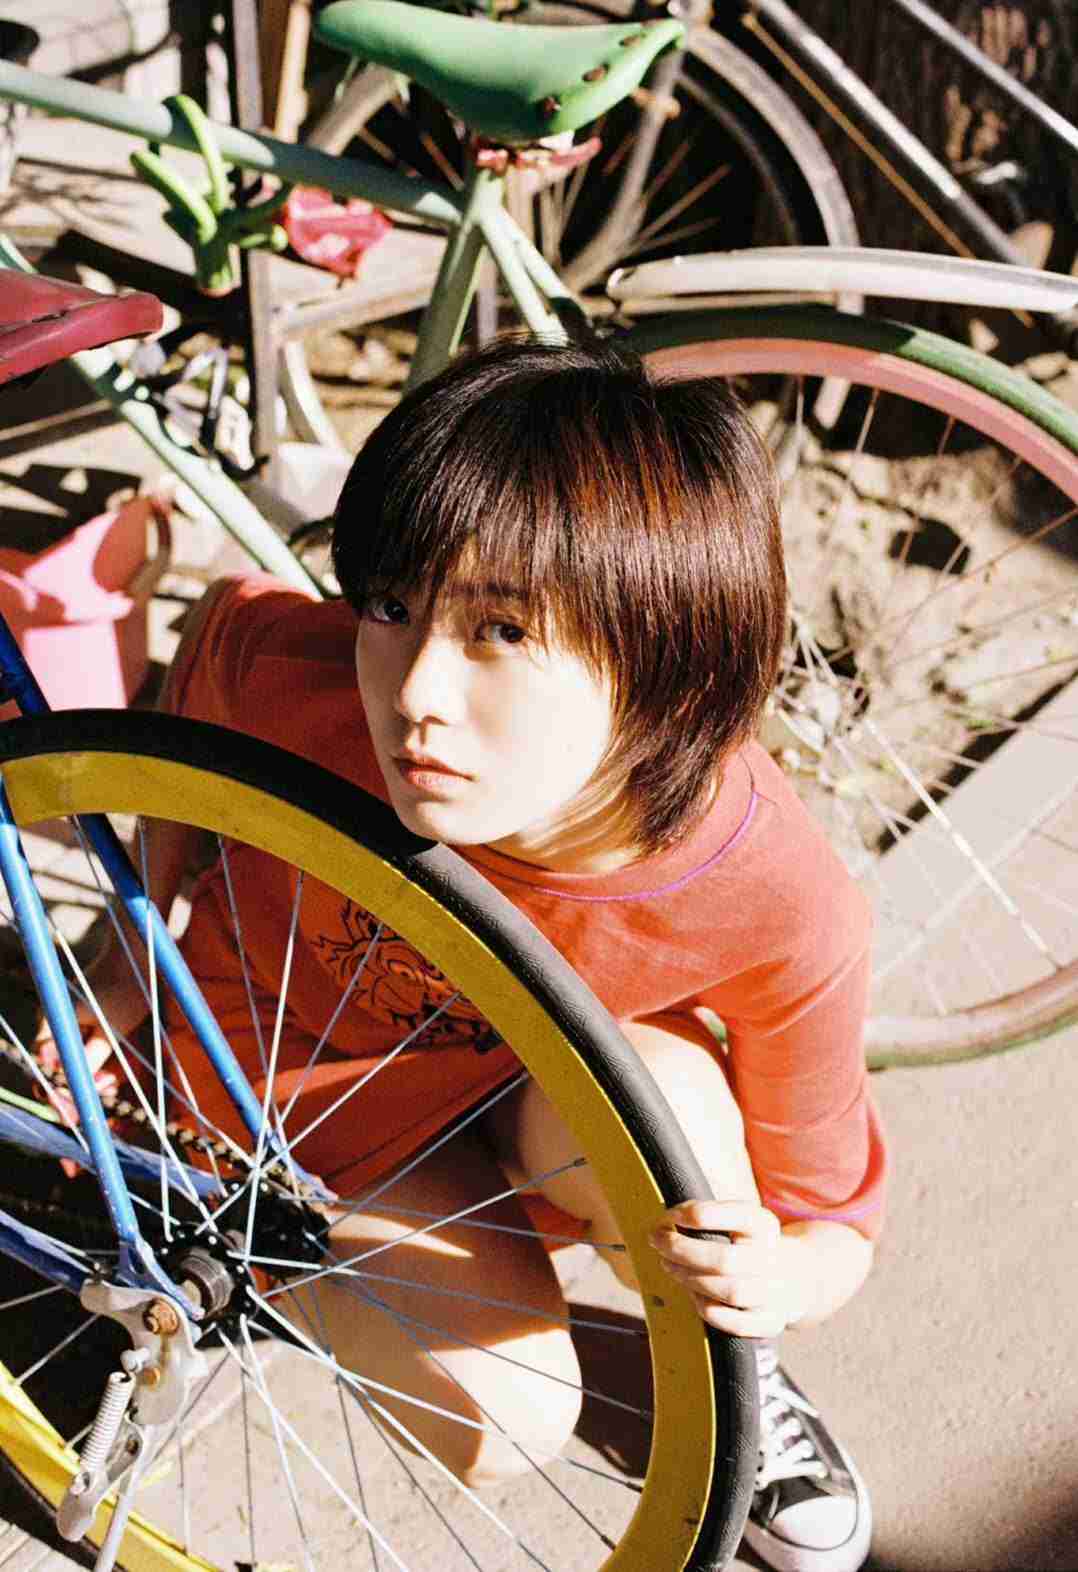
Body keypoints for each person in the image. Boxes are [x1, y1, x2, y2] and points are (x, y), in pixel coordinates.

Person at [80, 339, 886, 1572]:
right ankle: (267, 1262)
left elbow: (828, 1220)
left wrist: (772, 1286)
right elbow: (216, 660)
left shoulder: (772, 895)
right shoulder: (310, 685)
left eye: (501, 629)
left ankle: (736, 1374)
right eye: (392, 607)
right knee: (506, 1420)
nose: (417, 691)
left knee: (678, 1118)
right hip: (278, 1089)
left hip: (526, 1097)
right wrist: (134, 934)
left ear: (668, 665)